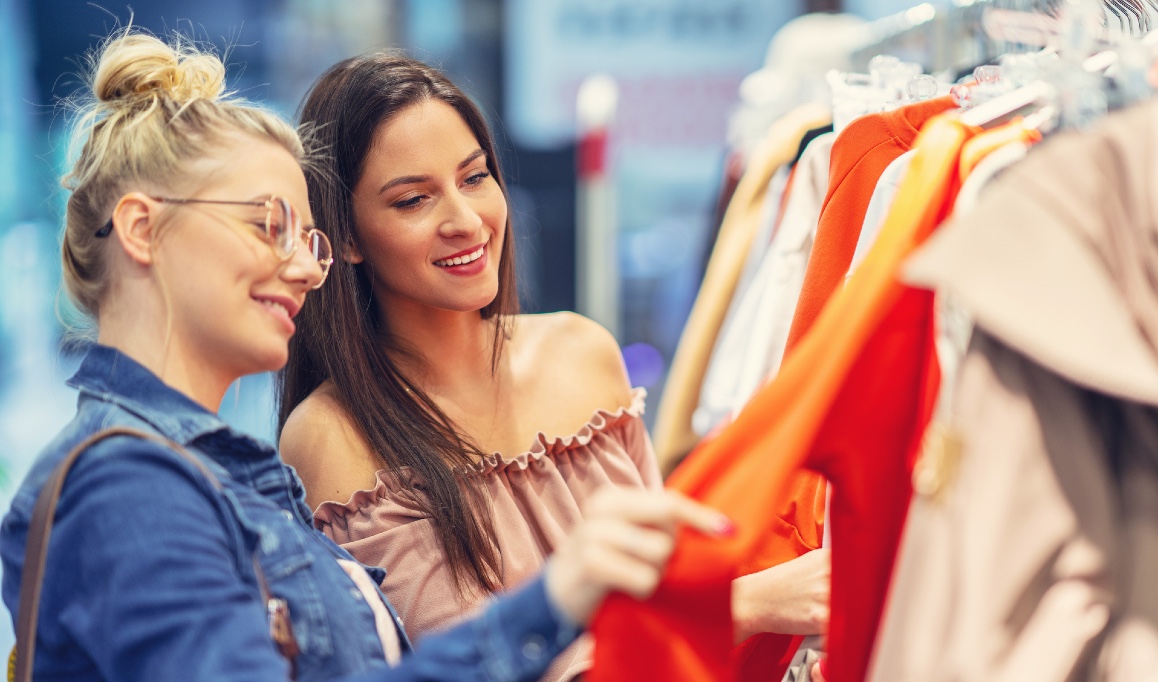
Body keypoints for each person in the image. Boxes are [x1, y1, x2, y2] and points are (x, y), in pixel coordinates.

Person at [0, 31, 731, 682]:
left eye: (304, 237)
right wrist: (557, 601)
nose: (303, 268)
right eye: (268, 226)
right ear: (141, 230)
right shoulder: (131, 483)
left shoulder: (217, 475)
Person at [277, 51, 830, 682]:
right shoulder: (330, 433)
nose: (466, 221)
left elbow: (665, 586)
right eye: (413, 200)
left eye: (474, 177)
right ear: (346, 236)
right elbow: (481, 668)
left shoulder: (581, 352)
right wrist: (743, 605)